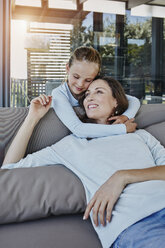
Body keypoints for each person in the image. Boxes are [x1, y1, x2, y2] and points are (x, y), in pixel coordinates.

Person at [2, 76, 165, 248]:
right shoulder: (72, 144)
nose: (90, 97)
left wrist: (122, 177)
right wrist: (32, 118)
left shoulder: (138, 134)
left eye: (99, 92)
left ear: (116, 102)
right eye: (87, 94)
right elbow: (9, 167)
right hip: (136, 224)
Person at [51, 46, 140, 138]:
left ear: (95, 76)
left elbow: (133, 100)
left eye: (88, 80)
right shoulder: (59, 94)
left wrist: (125, 116)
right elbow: (78, 129)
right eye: (76, 77)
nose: (80, 84)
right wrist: (123, 128)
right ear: (68, 68)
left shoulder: (93, 88)